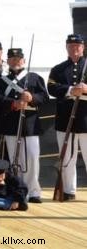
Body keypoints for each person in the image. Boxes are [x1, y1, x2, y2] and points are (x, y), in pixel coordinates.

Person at [0, 47, 45, 203]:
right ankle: (19, 190)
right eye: (12, 59)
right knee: (15, 160)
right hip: (11, 125)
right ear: (8, 61)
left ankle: (33, 191)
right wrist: (13, 104)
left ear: (23, 60)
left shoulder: (34, 78)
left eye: (18, 59)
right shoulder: (2, 80)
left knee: (32, 158)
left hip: (30, 124)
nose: (15, 61)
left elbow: (43, 97)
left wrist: (31, 97)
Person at [47, 33, 87, 201]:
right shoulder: (58, 69)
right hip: (65, 120)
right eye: (71, 46)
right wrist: (71, 90)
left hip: (86, 119)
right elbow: (51, 88)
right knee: (67, 158)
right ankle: (69, 190)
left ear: (83, 47)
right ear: (66, 48)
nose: (74, 49)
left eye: (77, 46)